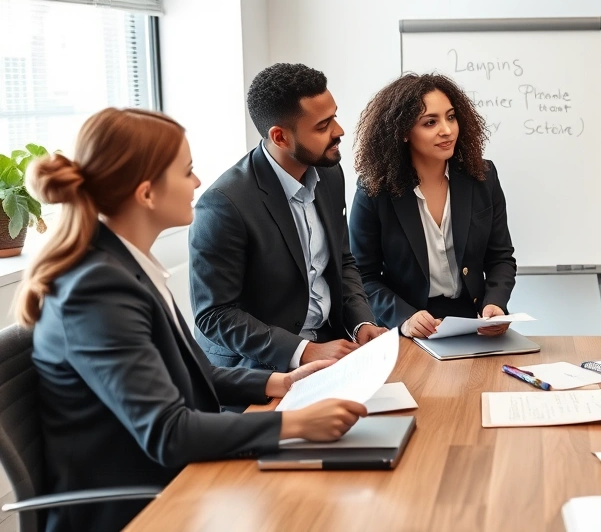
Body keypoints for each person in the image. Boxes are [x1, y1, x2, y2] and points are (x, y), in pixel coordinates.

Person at [16, 108, 368, 532]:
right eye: (187, 172)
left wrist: (280, 383)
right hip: (141, 507)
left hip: (178, 479)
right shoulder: (96, 290)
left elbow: (191, 372)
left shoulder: (122, 265)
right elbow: (168, 433)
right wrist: (294, 423)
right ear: (146, 194)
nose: (199, 184)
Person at [190, 63, 388, 371]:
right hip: (258, 366)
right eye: (323, 126)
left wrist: (361, 323)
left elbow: (342, 262)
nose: (339, 131)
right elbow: (215, 314)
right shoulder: (224, 205)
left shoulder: (329, 173)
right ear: (280, 137)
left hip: (331, 348)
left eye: (334, 116)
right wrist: (304, 351)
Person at [348, 73, 516, 339]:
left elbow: (501, 257)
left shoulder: (482, 176)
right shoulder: (374, 190)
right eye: (430, 122)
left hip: (473, 320)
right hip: (410, 326)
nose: (447, 130)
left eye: (451, 117)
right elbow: (361, 274)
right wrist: (404, 318)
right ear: (403, 132)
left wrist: (495, 303)